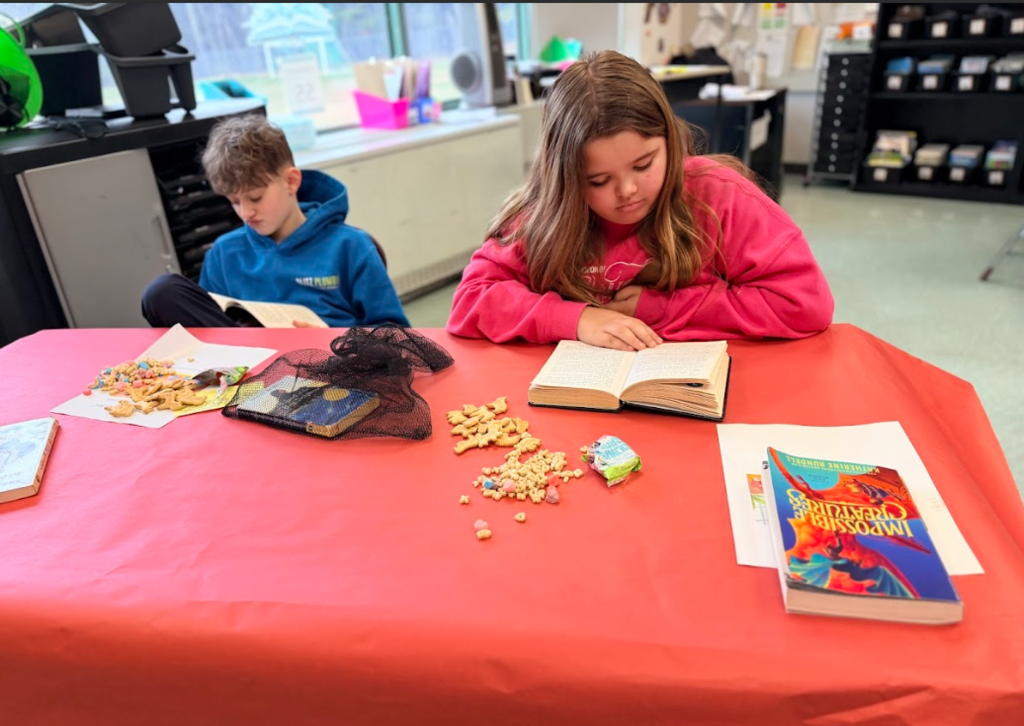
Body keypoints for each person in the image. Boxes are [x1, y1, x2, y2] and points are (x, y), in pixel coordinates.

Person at [446, 51, 833, 351]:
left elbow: (804, 303)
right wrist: (576, 320)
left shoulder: (718, 196)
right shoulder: (542, 214)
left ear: (668, 138)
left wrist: (661, 309)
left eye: (644, 164)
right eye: (598, 180)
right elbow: (470, 301)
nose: (627, 191)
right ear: (564, 180)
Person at [142, 114, 409, 328]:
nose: (246, 213)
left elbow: (398, 336)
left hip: (332, 371)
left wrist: (336, 344)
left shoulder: (351, 246)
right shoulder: (224, 253)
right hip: (252, 374)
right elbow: (212, 329)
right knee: (162, 292)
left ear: (291, 181)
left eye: (255, 198)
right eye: (234, 202)